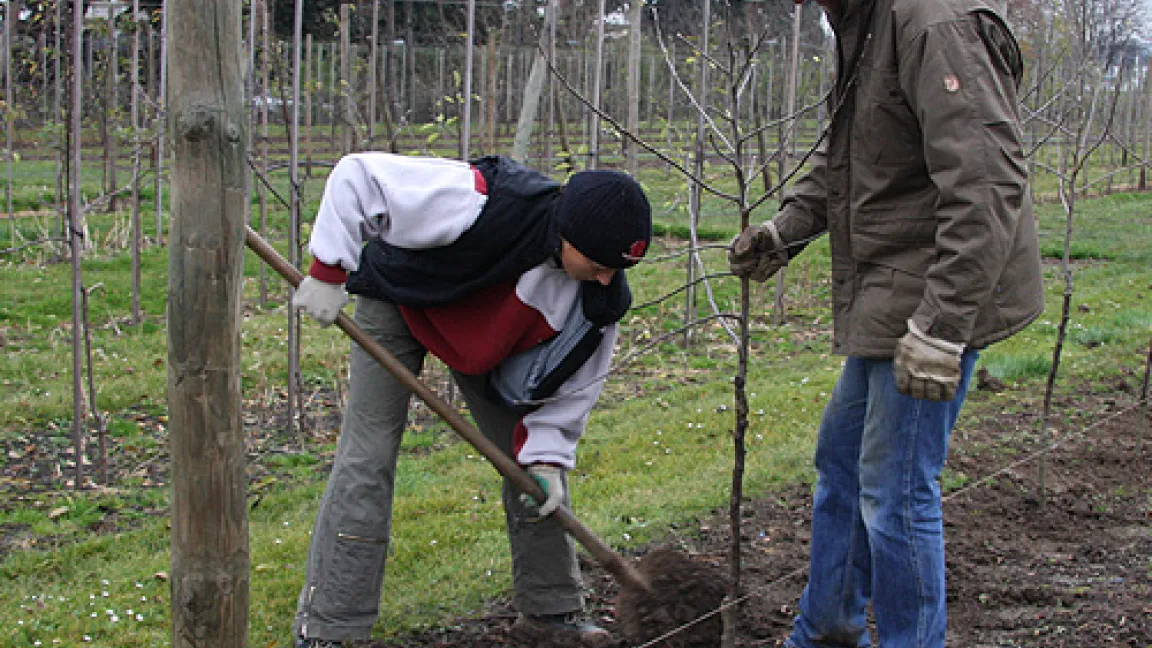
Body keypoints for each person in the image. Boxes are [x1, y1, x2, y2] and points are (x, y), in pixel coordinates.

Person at [729, 0, 1043, 646]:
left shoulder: (931, 22)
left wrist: (942, 327)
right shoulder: (862, 23)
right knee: (843, 466)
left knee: (894, 493)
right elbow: (855, 158)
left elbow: (988, 184)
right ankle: (829, 629)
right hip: (894, 287)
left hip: (938, 293)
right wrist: (782, 232)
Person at [291, 152, 652, 648]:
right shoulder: (479, 199)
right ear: (569, 235)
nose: (608, 277)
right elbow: (359, 175)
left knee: (532, 474)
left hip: (482, 340)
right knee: (368, 455)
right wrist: (328, 269)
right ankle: (329, 627)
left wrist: (547, 455)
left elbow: (573, 386)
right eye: (600, 264)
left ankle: (552, 613)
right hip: (400, 297)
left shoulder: (597, 298)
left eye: (618, 269)